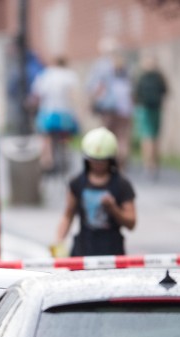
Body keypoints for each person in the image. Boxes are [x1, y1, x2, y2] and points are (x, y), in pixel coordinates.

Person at [52, 127, 136, 257]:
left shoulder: (121, 185)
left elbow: (131, 223)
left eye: (102, 161)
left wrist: (114, 209)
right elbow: (68, 215)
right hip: (83, 250)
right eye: (94, 160)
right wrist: (58, 242)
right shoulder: (77, 183)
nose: (97, 165)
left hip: (112, 252)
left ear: (110, 160)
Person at [29, 56, 81, 172]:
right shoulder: (70, 75)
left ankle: (47, 162)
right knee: (66, 135)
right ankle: (66, 155)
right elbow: (74, 95)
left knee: (45, 137)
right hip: (65, 114)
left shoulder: (46, 74)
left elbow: (37, 94)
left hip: (48, 113)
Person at [87, 46, 134, 170]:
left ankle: (108, 163)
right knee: (122, 136)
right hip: (125, 107)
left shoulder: (102, 66)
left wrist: (92, 101)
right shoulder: (125, 66)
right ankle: (122, 163)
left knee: (107, 135)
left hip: (108, 107)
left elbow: (95, 86)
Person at [134, 54, 169, 179]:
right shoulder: (160, 77)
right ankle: (154, 163)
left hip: (144, 110)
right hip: (157, 109)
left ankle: (148, 164)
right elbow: (166, 92)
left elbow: (135, 94)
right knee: (155, 137)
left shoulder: (141, 77)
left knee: (146, 137)